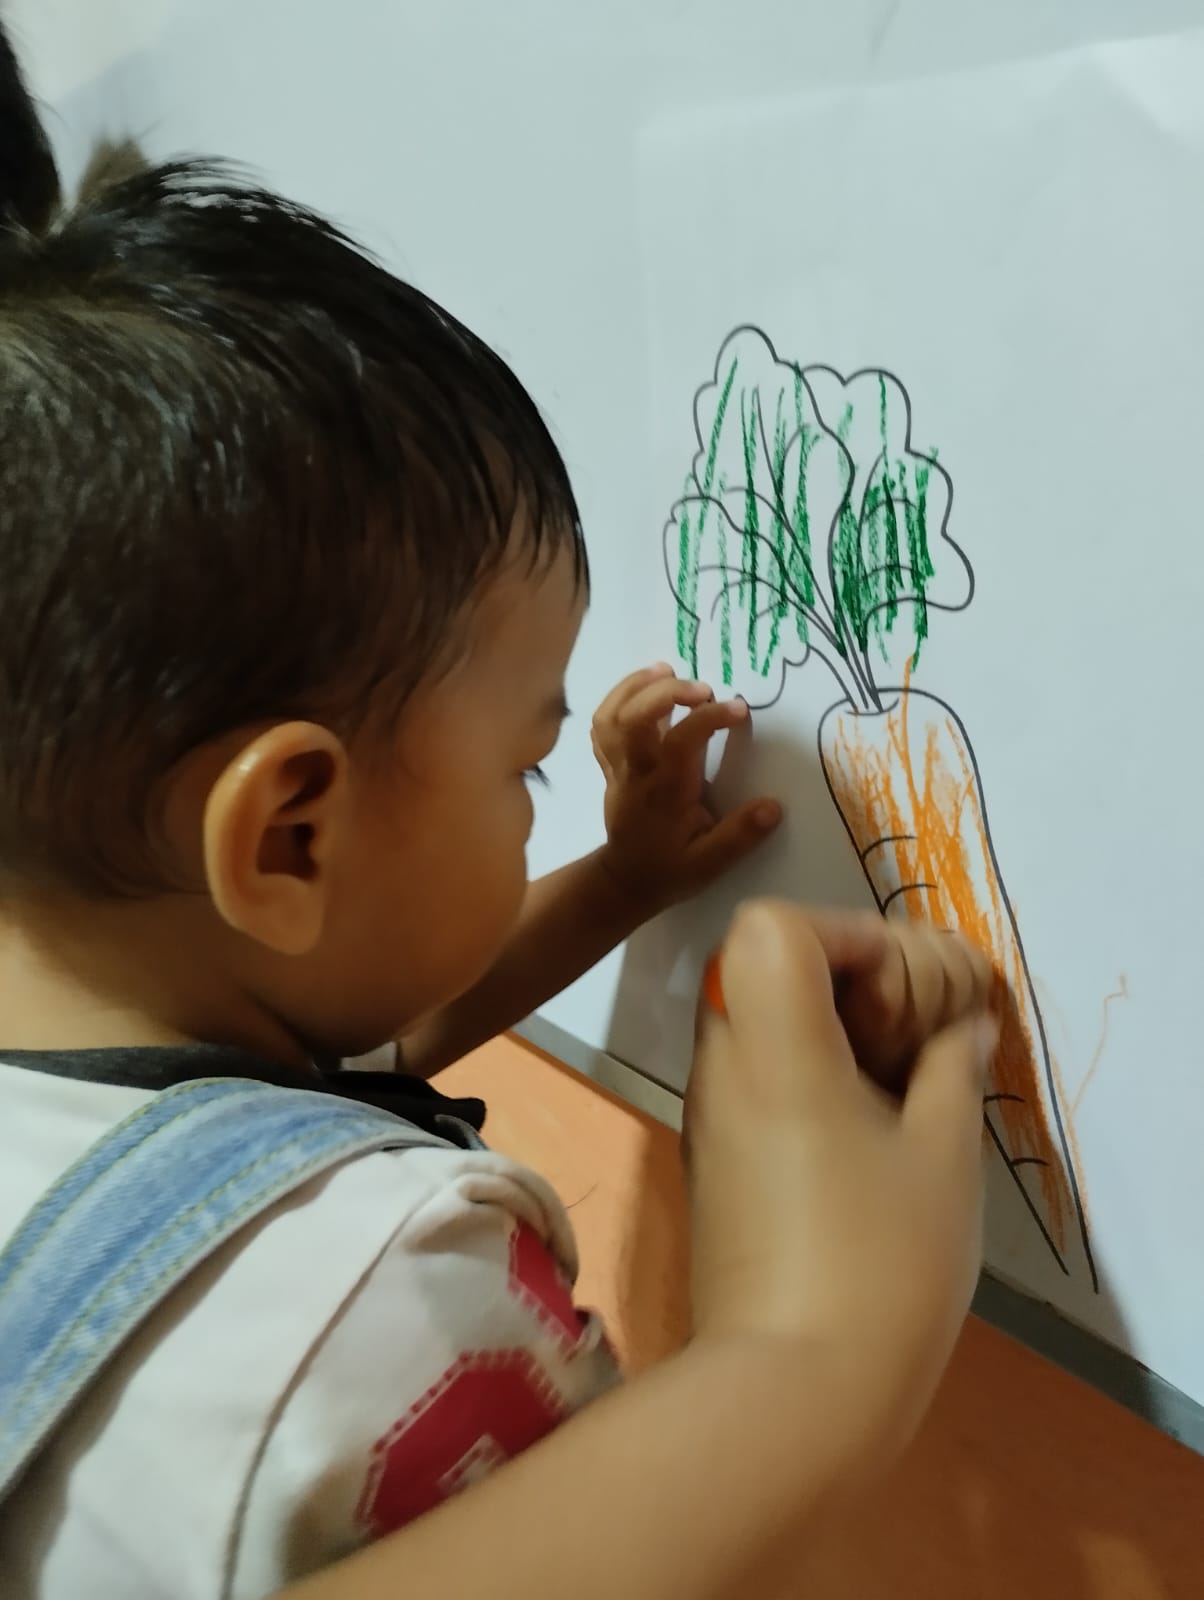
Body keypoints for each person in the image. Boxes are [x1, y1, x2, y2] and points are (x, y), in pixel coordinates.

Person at [0, 28, 995, 1600]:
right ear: (290, 837)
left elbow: (324, 1061)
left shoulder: (83, 1025)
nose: (542, 792)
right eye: (525, 769)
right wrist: (821, 1343)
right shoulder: (381, 1310)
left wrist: (620, 879)